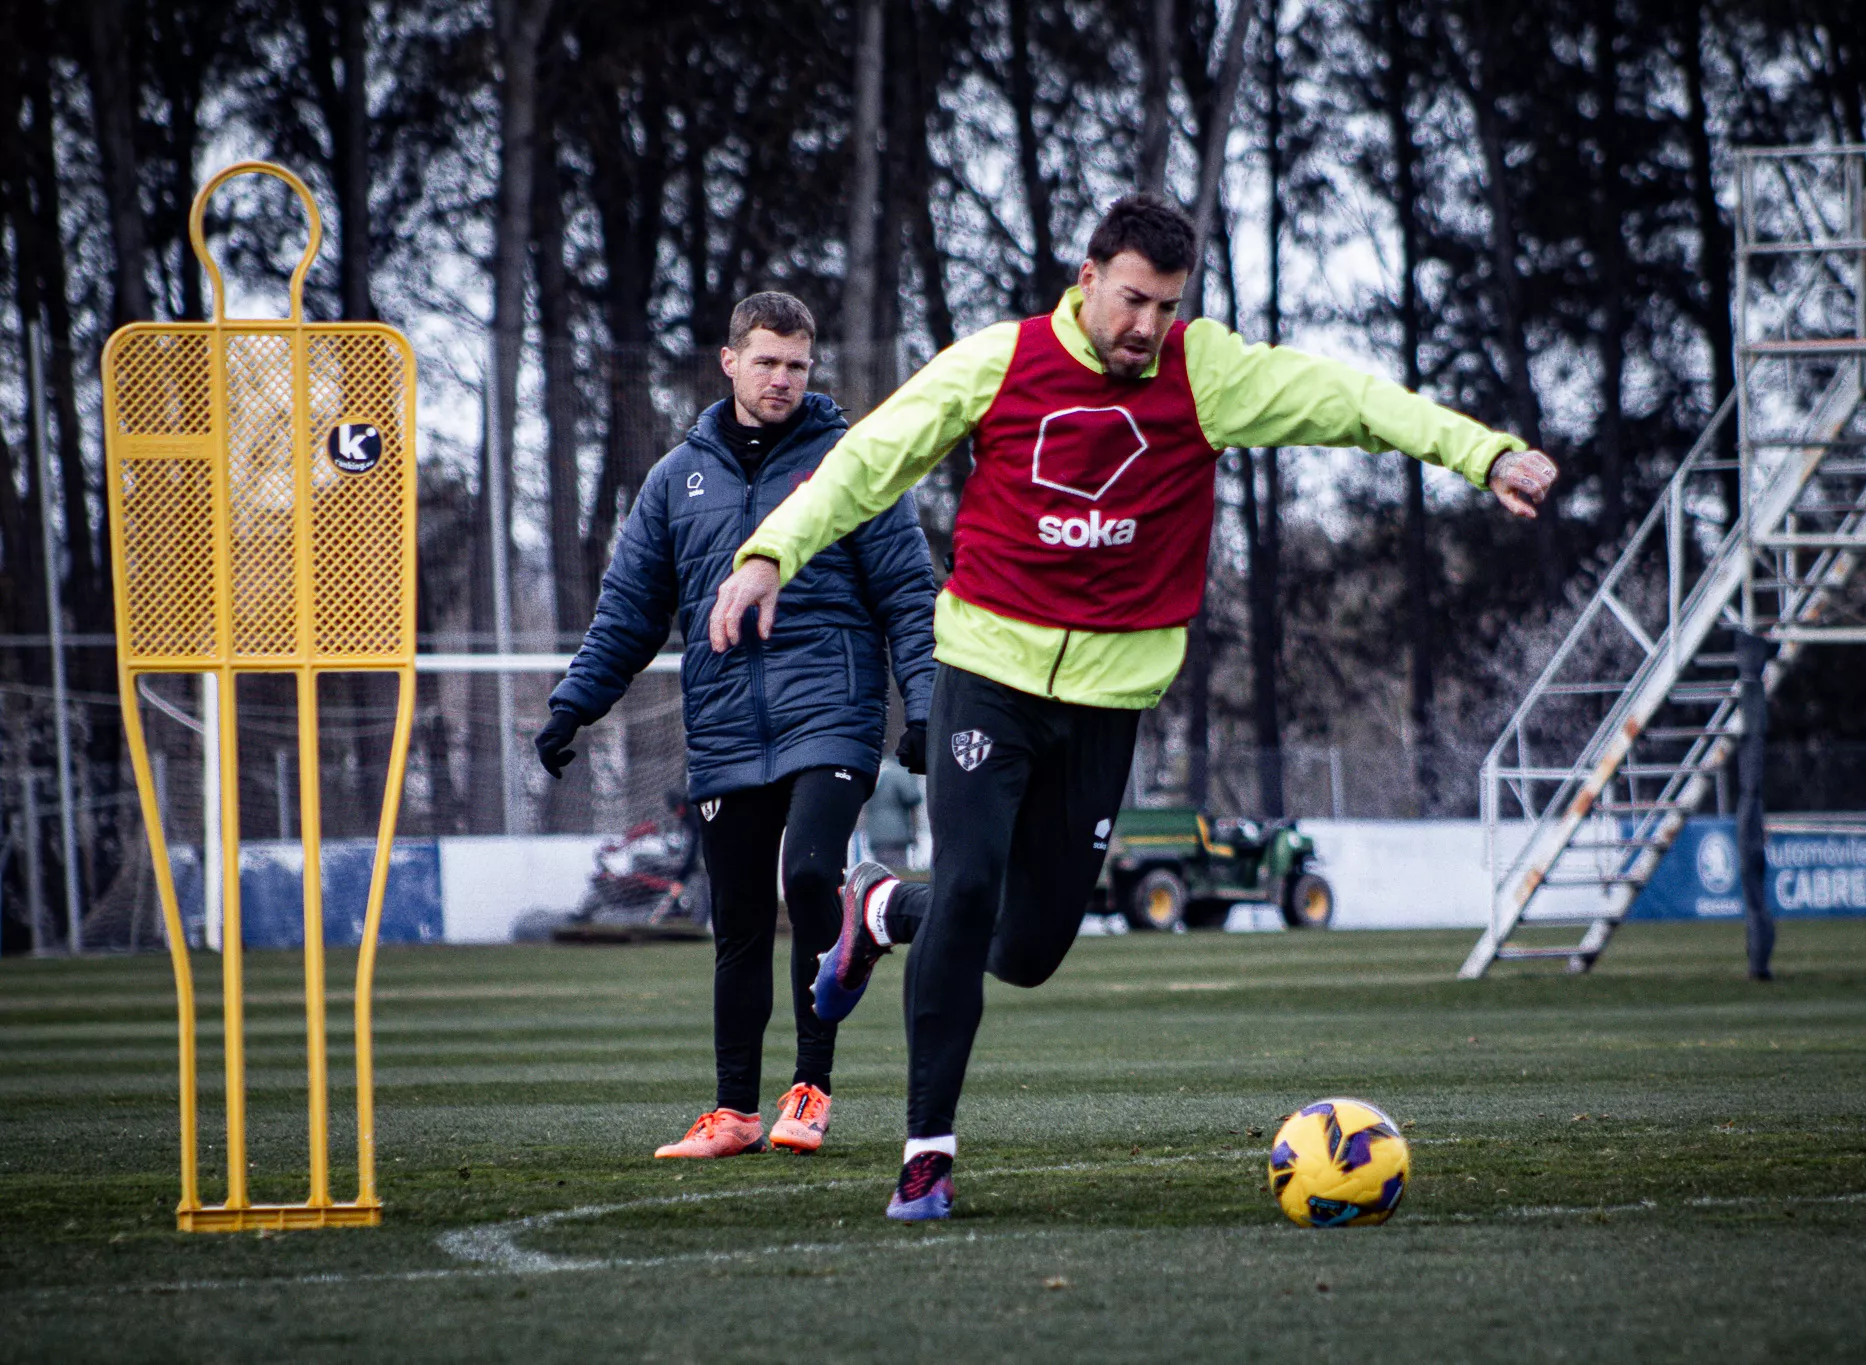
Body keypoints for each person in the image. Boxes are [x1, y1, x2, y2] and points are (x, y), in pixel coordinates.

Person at [706, 196, 1557, 1218]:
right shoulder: (998, 364)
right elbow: (865, 462)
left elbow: (1351, 399)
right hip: (986, 673)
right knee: (971, 887)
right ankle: (925, 1154)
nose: (1144, 324)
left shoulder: (1206, 373)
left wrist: (1483, 453)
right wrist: (768, 553)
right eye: (1129, 299)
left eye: (1164, 304)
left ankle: (881, 909)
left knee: (1026, 950)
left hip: (1106, 707)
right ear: (1085, 278)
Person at [536, 291, 937, 1159]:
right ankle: (732, 1111)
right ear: (729, 362)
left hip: (830, 710)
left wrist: (928, 702)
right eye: (767, 361)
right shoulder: (674, 478)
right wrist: (575, 703)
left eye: (798, 364)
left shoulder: (850, 460)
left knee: (810, 873)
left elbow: (910, 588)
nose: (784, 378)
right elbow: (628, 613)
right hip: (722, 727)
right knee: (741, 921)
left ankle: (810, 1087)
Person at [863, 755, 924, 869]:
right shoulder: (896, 772)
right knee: (897, 874)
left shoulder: (872, 771)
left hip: (875, 834)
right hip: (896, 834)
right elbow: (912, 796)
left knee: (881, 873)